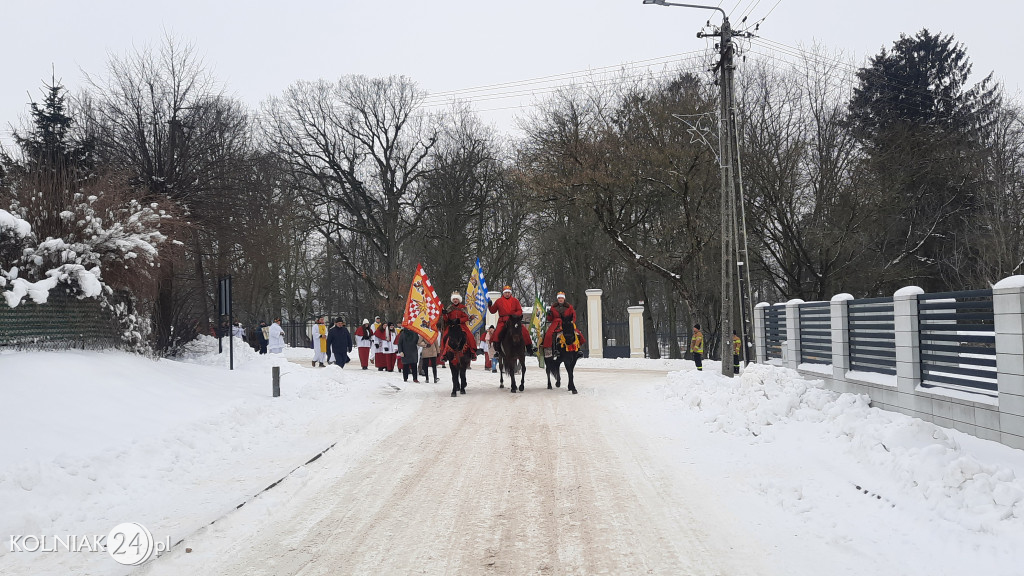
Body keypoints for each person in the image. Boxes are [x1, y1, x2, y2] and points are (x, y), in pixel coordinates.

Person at [488, 286, 534, 355]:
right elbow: (493, 311)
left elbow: (519, 310)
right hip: (503, 321)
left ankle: (529, 347)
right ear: (503, 293)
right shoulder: (499, 301)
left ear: (510, 293)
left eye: (508, 292)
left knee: (524, 331)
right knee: (497, 333)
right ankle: (497, 349)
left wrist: (514, 315)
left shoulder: (515, 301)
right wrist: (489, 306)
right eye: (506, 292)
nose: (507, 294)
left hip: (513, 320)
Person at [440, 292, 478, 361]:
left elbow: (467, 317)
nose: (455, 300)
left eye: (456, 299)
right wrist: (444, 314)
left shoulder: (463, 307)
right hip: (452, 326)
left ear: (459, 300)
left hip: (461, 326)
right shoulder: (450, 308)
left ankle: (473, 352)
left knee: (470, 336)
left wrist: (459, 320)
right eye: (454, 299)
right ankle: (444, 354)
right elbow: (446, 319)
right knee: (446, 337)